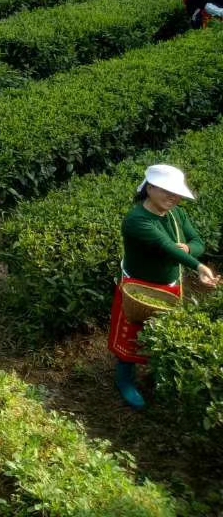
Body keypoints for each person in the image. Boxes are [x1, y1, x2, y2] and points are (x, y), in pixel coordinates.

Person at [111, 164, 218, 409]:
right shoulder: (137, 220)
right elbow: (165, 246)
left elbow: (197, 241)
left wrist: (190, 250)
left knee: (161, 332)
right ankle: (125, 380)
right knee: (131, 333)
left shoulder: (176, 214)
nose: (173, 198)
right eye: (167, 191)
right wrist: (199, 267)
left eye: (177, 193)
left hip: (169, 284)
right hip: (138, 287)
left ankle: (154, 372)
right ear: (150, 188)